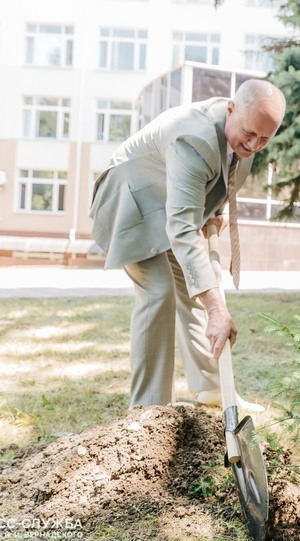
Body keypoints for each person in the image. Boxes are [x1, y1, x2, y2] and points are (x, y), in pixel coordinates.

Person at [89, 79, 286, 408]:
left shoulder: (243, 138)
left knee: (195, 289)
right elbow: (181, 228)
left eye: (264, 138)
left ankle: (212, 386)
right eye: (250, 134)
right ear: (231, 109)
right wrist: (217, 309)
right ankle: (149, 409)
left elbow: (219, 180)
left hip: (166, 206)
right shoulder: (193, 137)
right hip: (131, 202)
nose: (253, 145)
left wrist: (213, 212)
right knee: (160, 290)